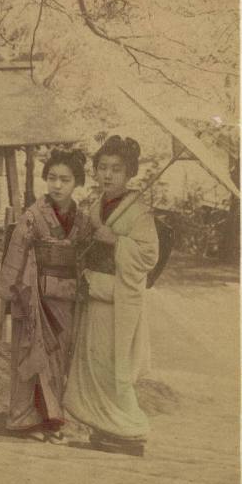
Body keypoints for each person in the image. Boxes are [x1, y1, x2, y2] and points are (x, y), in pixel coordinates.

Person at [64, 135, 159, 456]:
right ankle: (105, 429)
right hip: (94, 292)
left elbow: (148, 256)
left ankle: (130, 431)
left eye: (116, 169)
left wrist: (116, 241)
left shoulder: (138, 211)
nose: (108, 175)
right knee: (93, 361)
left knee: (112, 366)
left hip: (117, 299)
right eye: (102, 167)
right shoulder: (96, 205)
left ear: (129, 173)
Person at [0, 149, 91, 442]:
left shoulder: (84, 220)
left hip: (66, 298)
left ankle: (51, 419)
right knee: (29, 354)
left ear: (77, 182)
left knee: (57, 361)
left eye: (65, 179)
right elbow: (15, 253)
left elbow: (87, 258)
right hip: (33, 294)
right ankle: (23, 418)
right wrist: (11, 293)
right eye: (52, 178)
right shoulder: (33, 216)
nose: (57, 185)